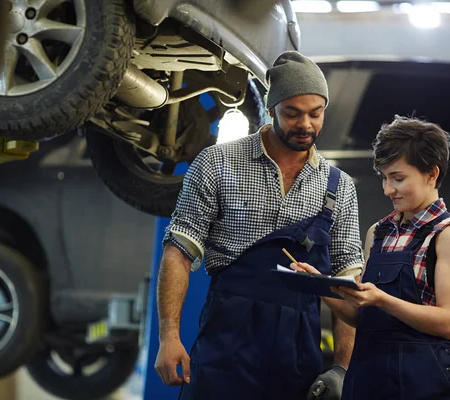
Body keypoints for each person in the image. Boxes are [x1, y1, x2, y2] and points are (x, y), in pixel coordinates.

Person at [154, 51, 365, 400]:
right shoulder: (218, 163)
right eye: (293, 114)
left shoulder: (338, 186)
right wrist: (169, 336)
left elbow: (348, 285)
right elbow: (178, 252)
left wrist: (343, 368)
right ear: (271, 109)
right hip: (226, 342)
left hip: (298, 354)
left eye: (316, 113)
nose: (306, 125)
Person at [292, 116, 450, 400]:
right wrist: (319, 285)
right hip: (367, 381)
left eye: (398, 178)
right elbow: (363, 317)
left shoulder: (449, 235)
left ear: (431, 173)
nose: (387, 189)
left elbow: (448, 322)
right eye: (384, 177)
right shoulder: (378, 232)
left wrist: (382, 299)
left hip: (423, 385)